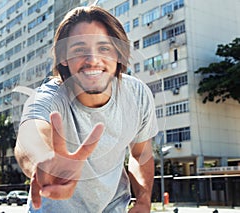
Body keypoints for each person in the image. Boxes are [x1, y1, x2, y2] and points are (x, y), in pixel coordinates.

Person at [15, 5, 158, 213]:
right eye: (79, 49)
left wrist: (144, 201)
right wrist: (44, 163)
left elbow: (141, 154)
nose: (92, 60)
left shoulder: (137, 94)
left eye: (104, 48)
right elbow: (30, 136)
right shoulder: (49, 97)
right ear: (64, 57)